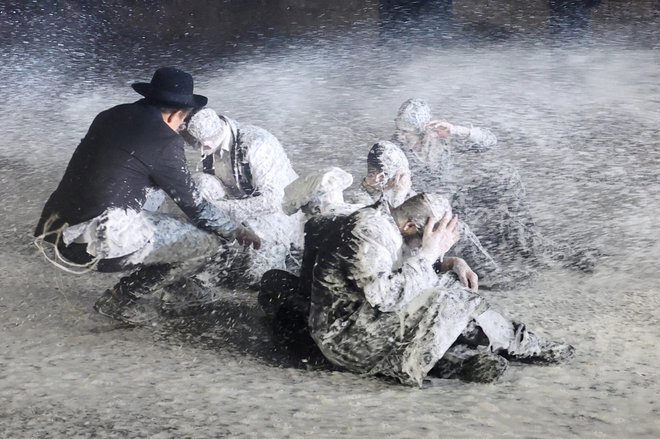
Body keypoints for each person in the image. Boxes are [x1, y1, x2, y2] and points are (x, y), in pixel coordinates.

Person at [34, 67, 258, 324]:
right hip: (92, 241)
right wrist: (236, 231)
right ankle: (119, 300)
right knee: (206, 244)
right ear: (177, 114)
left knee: (163, 217)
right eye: (183, 121)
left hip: (53, 228)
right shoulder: (164, 140)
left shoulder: (109, 116)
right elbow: (194, 205)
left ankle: (180, 288)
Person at [308, 193, 574, 386]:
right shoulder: (366, 232)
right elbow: (386, 296)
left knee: (446, 283)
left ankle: (462, 361)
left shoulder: (390, 224)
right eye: (429, 236)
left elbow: (402, 264)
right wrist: (428, 254)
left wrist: (450, 262)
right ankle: (521, 345)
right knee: (448, 296)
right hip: (346, 338)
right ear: (410, 226)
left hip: (368, 324)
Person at [392, 98, 596, 283]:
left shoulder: (440, 139)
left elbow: (490, 142)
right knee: (478, 223)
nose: (401, 137)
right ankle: (491, 274)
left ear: (424, 130)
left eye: (406, 133)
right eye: (399, 131)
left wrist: (457, 130)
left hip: (454, 200)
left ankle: (537, 243)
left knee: (506, 176)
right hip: (427, 214)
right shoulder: (395, 152)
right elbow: (397, 199)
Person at [182, 108, 301, 286]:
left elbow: (274, 200)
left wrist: (219, 210)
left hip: (278, 213)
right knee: (201, 184)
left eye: (198, 145)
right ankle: (214, 251)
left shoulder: (257, 145)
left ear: (206, 144)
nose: (197, 150)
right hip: (237, 203)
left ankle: (278, 255)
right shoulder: (211, 143)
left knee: (257, 279)